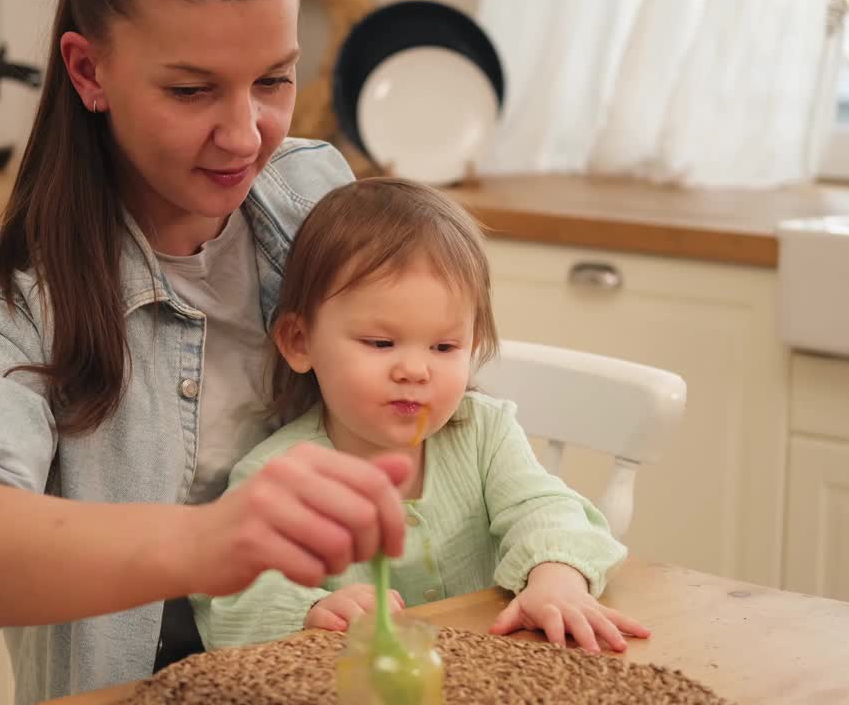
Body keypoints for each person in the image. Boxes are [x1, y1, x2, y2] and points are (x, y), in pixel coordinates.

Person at [0, 0, 413, 704]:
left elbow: (459, 421)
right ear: (90, 72)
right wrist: (209, 542)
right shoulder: (6, 301)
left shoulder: (315, 192)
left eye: (274, 79)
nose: (246, 136)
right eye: (191, 90)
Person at [191, 178, 652, 654]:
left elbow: (547, 510)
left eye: (445, 346)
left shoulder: (483, 432)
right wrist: (309, 610)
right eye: (380, 343)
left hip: (493, 671)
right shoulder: (279, 475)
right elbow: (233, 593)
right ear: (300, 342)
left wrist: (556, 576)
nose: (414, 369)